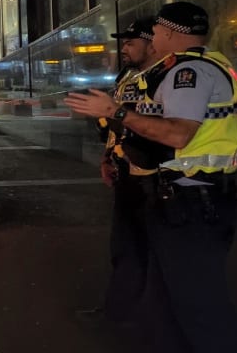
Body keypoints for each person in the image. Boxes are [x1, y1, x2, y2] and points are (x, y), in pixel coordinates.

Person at [64, 2, 237, 353]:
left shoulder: (186, 72)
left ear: (168, 34)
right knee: (168, 303)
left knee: (199, 307)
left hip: (192, 199)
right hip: (188, 196)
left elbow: (178, 135)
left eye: (157, 34)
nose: (154, 40)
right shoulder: (195, 66)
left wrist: (115, 112)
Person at [82, 17, 160, 327]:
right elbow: (116, 126)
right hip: (127, 175)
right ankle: (120, 313)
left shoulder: (164, 78)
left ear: (152, 44)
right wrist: (107, 158)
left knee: (154, 252)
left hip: (155, 178)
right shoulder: (127, 77)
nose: (123, 48)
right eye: (123, 43)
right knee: (125, 247)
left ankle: (150, 319)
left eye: (130, 43)